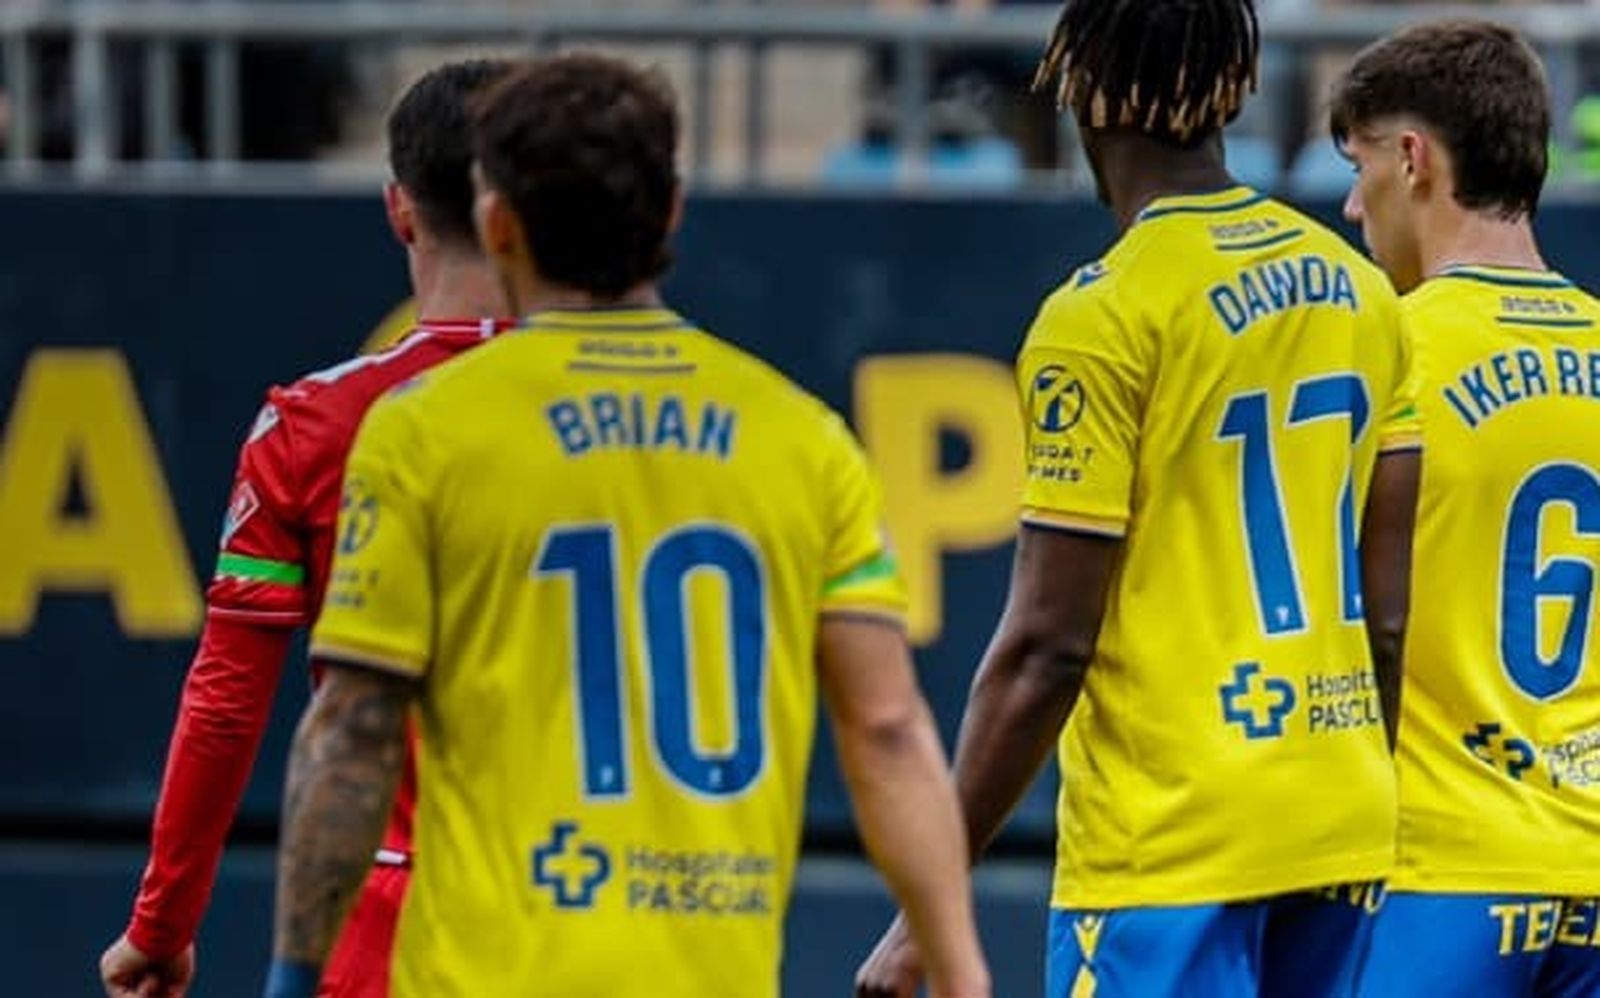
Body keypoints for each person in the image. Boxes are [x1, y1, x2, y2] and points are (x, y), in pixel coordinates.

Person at [263, 52, 990, 998]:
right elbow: (889, 731)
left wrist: (292, 975)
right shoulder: (803, 438)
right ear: (673, 211)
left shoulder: (423, 433)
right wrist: (965, 971)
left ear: (497, 222)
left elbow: (351, 734)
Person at [858, 0, 1424, 995]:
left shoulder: (1102, 313)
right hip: (1338, 816)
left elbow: (1046, 646)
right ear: (1235, 89)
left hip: (1173, 841)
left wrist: (927, 905)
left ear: (1077, 85)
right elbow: (1388, 617)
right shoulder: (1359, 289)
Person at [98, 58, 514, 998]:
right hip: (599, 914)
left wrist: (161, 927)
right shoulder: (630, 423)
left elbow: (227, 703)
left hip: (390, 931)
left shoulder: (313, 422)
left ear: (399, 210)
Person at [1332, 21, 1600, 997]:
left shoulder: (1376, 348)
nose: (1351, 202)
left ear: (1413, 158)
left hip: (1435, 873)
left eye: (1358, 165)